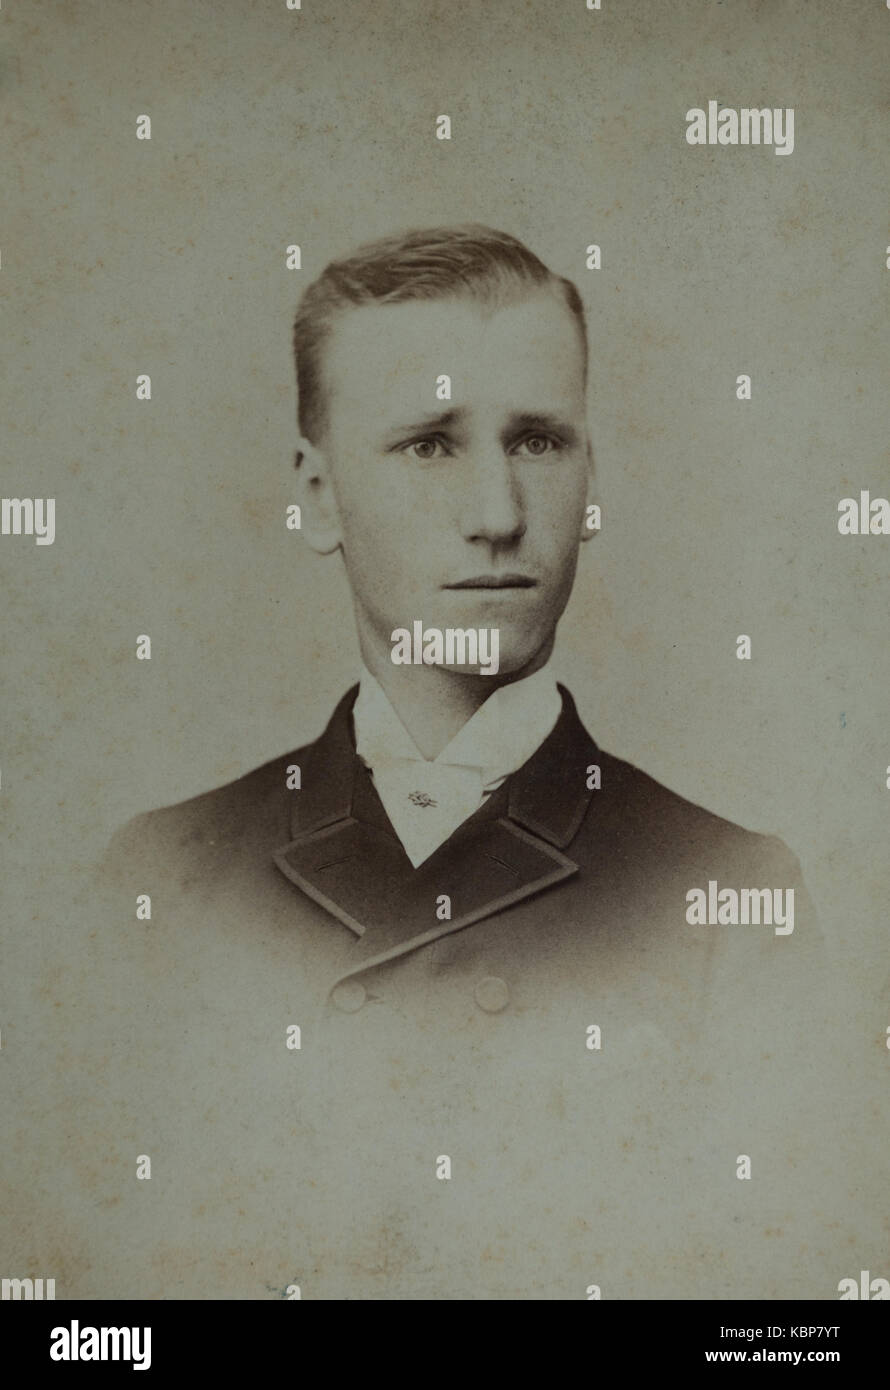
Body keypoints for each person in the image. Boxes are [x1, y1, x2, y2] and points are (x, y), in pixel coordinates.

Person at [95, 225, 868, 1299]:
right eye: (429, 444)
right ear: (318, 497)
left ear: (589, 476)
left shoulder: (729, 896)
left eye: (539, 442)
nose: (499, 516)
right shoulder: (159, 881)